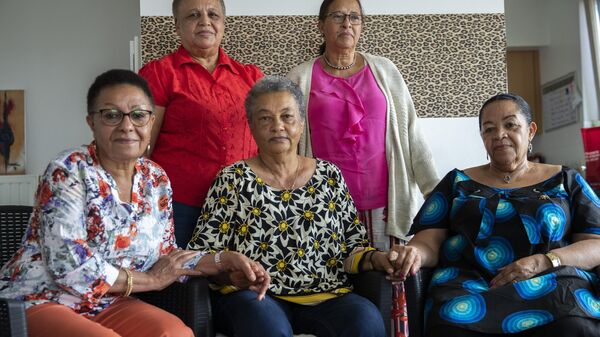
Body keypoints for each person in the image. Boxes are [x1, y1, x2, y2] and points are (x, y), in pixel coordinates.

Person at [0, 69, 269, 337]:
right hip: (41, 298)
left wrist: (224, 262)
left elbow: (166, 255)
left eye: (138, 115)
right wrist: (150, 280)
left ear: (151, 121)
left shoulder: (156, 179)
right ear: (91, 122)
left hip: (107, 302)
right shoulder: (69, 170)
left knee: (175, 333)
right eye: (111, 115)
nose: (127, 126)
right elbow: (70, 267)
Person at [187, 76, 401, 337]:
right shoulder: (231, 179)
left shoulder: (329, 175)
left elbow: (352, 246)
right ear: (251, 127)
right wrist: (230, 276)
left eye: (287, 117)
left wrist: (378, 258)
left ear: (301, 124)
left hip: (328, 297)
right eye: (265, 118)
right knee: (268, 328)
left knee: (366, 320)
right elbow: (202, 255)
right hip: (257, 298)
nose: (277, 126)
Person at [286, 0, 439, 335]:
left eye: (354, 17)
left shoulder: (384, 71)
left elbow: (411, 133)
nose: (346, 23)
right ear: (321, 25)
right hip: (322, 209)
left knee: (387, 286)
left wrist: (438, 196)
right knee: (332, 293)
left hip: (384, 206)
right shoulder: (300, 76)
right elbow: (287, 144)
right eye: (338, 16)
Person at [394, 93, 600, 337]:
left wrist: (543, 261)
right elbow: (429, 241)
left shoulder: (565, 180)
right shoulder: (457, 182)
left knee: (574, 325)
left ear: (531, 130)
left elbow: (595, 244)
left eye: (510, 125)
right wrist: (414, 253)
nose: (499, 135)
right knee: (450, 326)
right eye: (489, 129)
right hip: (468, 286)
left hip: (550, 283)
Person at [139, 0, 263, 247]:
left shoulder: (250, 76)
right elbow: (142, 146)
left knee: (242, 279)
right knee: (184, 280)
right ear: (177, 26)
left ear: (223, 23)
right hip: (182, 205)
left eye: (213, 14)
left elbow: (267, 140)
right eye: (193, 15)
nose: (205, 21)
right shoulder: (160, 73)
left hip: (244, 202)